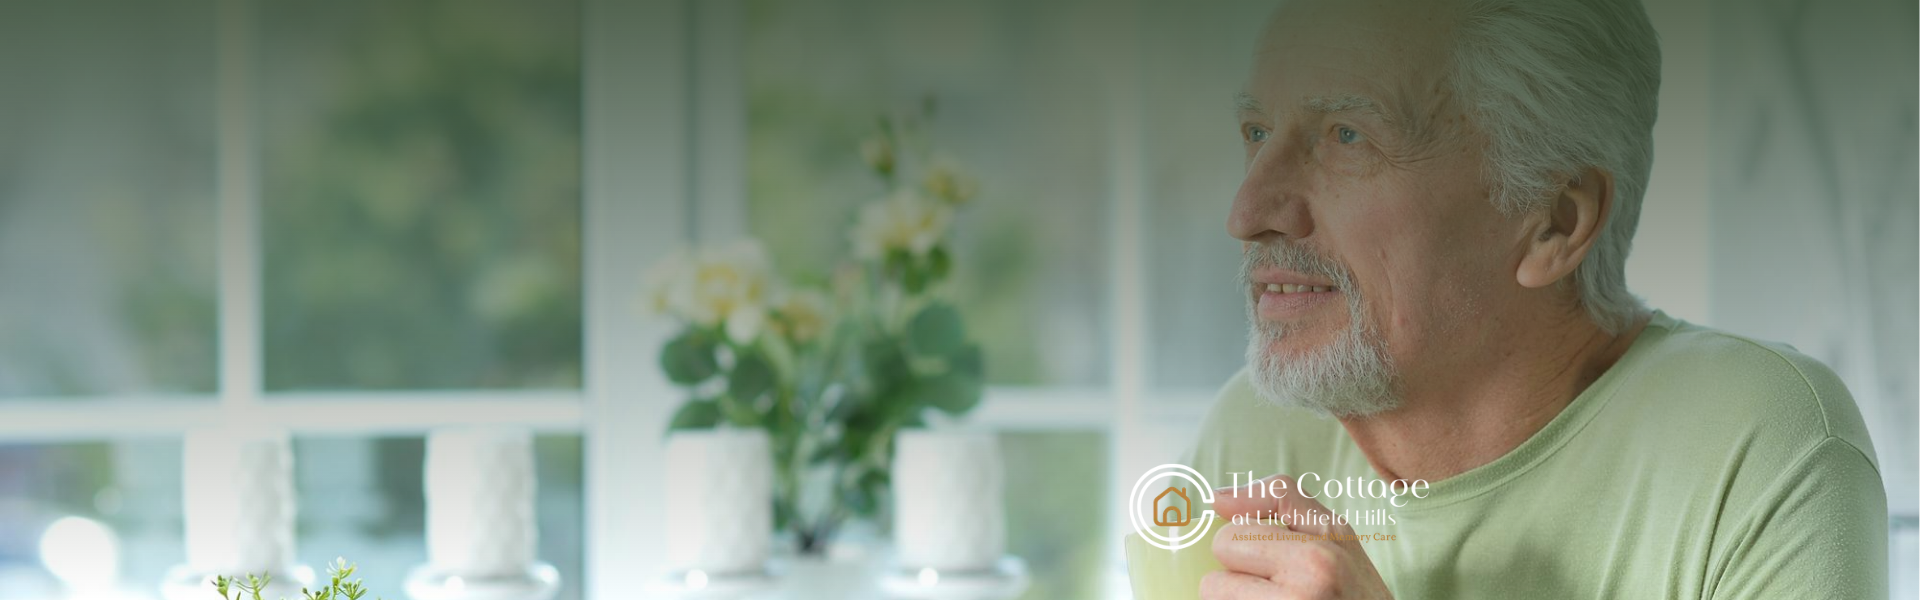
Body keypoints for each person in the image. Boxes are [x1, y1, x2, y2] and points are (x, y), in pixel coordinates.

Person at [1188, 0, 1888, 597]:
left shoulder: (1763, 444)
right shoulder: (1257, 436)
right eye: (1256, 132)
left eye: (1346, 136)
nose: (1247, 211)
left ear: (1555, 220)